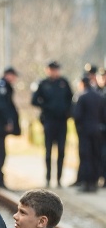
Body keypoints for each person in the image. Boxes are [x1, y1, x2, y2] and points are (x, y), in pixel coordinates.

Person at [31, 60, 73, 188]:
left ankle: (59, 179)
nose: (54, 72)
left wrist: (67, 112)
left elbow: (71, 99)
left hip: (61, 121)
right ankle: (48, 178)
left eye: (56, 69)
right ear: (47, 70)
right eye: (52, 69)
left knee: (61, 150)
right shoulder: (43, 84)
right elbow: (34, 100)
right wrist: (46, 107)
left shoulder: (64, 83)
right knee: (48, 151)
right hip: (49, 120)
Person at [0, 67, 21, 189]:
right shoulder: (2, 88)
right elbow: (2, 107)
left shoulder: (4, 87)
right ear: (8, 75)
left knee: (0, 151)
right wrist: (8, 121)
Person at [72, 75, 106, 193]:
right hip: (97, 130)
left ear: (82, 84)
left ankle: (86, 183)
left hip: (85, 131)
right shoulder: (100, 96)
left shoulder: (81, 97)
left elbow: (77, 116)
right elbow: (103, 115)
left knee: (86, 156)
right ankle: (94, 182)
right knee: (96, 156)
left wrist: (79, 129)